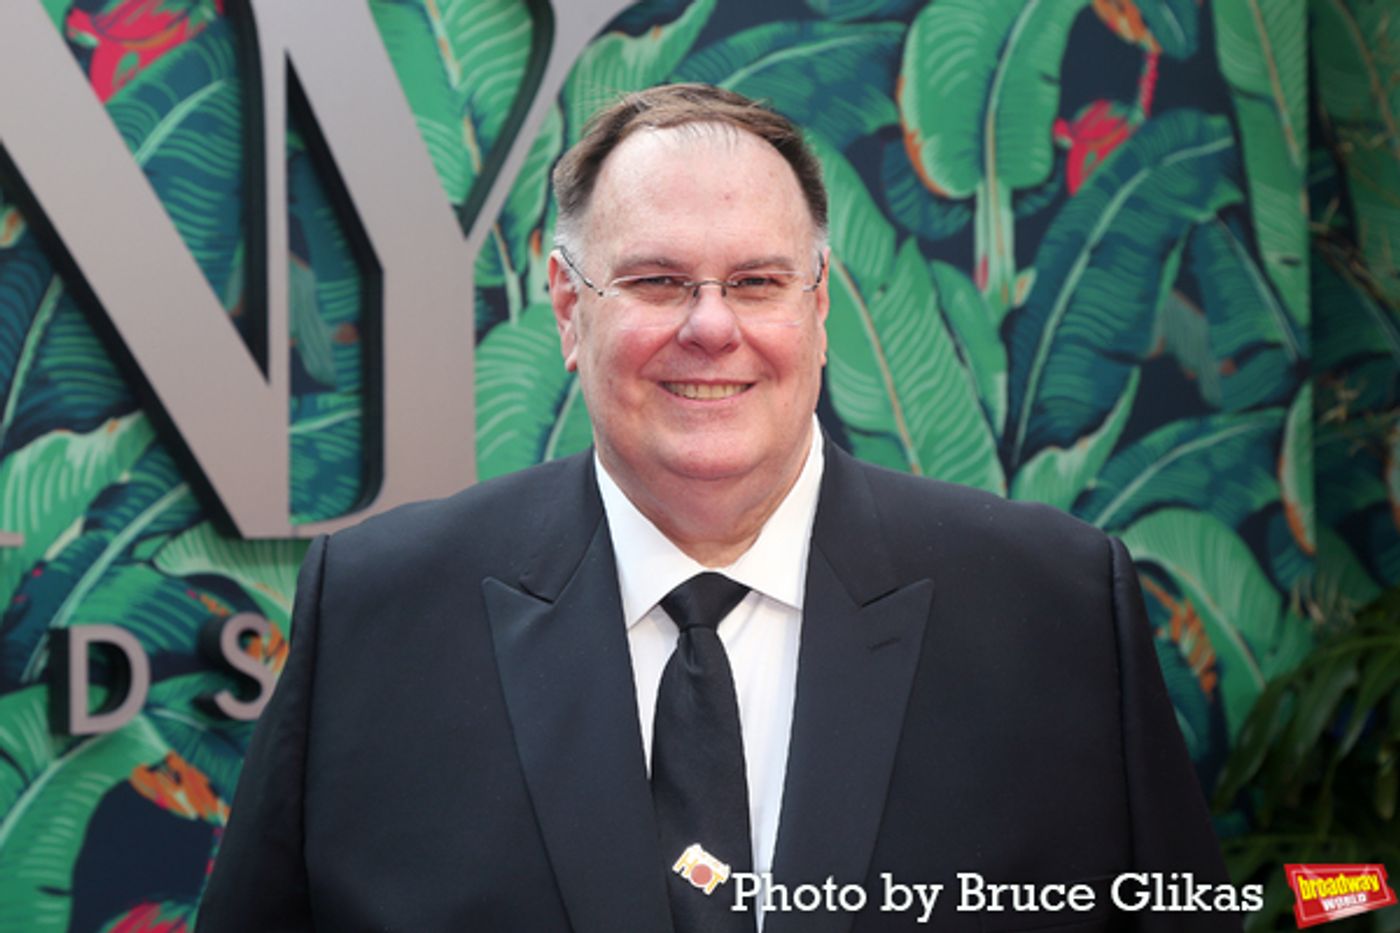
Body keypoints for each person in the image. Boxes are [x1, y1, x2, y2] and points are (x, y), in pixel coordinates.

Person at [198, 84, 1240, 932]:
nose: (709, 328)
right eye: (657, 281)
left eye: (754, 282)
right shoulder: (377, 612)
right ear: (567, 309)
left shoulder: (1054, 610)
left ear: (818, 306)